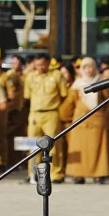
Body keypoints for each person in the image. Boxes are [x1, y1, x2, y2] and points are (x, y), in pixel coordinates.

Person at [59, 57, 109, 184]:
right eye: (85, 67)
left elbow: (108, 100)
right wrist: (65, 117)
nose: (88, 70)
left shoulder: (101, 83)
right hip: (80, 121)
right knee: (79, 147)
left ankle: (99, 174)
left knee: (98, 148)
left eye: (91, 67)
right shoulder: (77, 85)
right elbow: (70, 104)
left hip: (97, 121)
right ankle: (78, 174)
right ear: (81, 69)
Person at [24, 54, 68, 183]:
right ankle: (33, 174)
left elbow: (63, 94)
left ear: (48, 63)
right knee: (33, 145)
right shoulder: (30, 76)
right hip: (35, 114)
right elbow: (27, 96)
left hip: (51, 113)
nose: (40, 67)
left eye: (43, 64)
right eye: (37, 65)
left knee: (53, 145)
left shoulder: (57, 75)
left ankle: (56, 174)